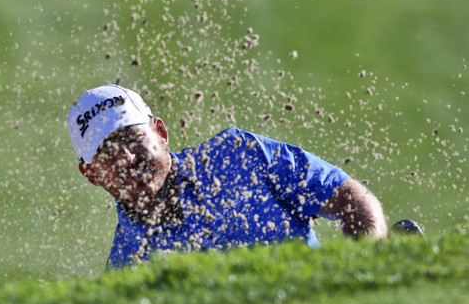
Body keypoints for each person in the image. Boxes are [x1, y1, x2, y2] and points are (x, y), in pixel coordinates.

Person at [68, 84, 389, 269]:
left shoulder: (239, 154)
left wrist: (364, 267)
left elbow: (349, 198)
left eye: (132, 140)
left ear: (160, 132)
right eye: (107, 154)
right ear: (91, 174)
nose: (127, 159)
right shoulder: (128, 264)